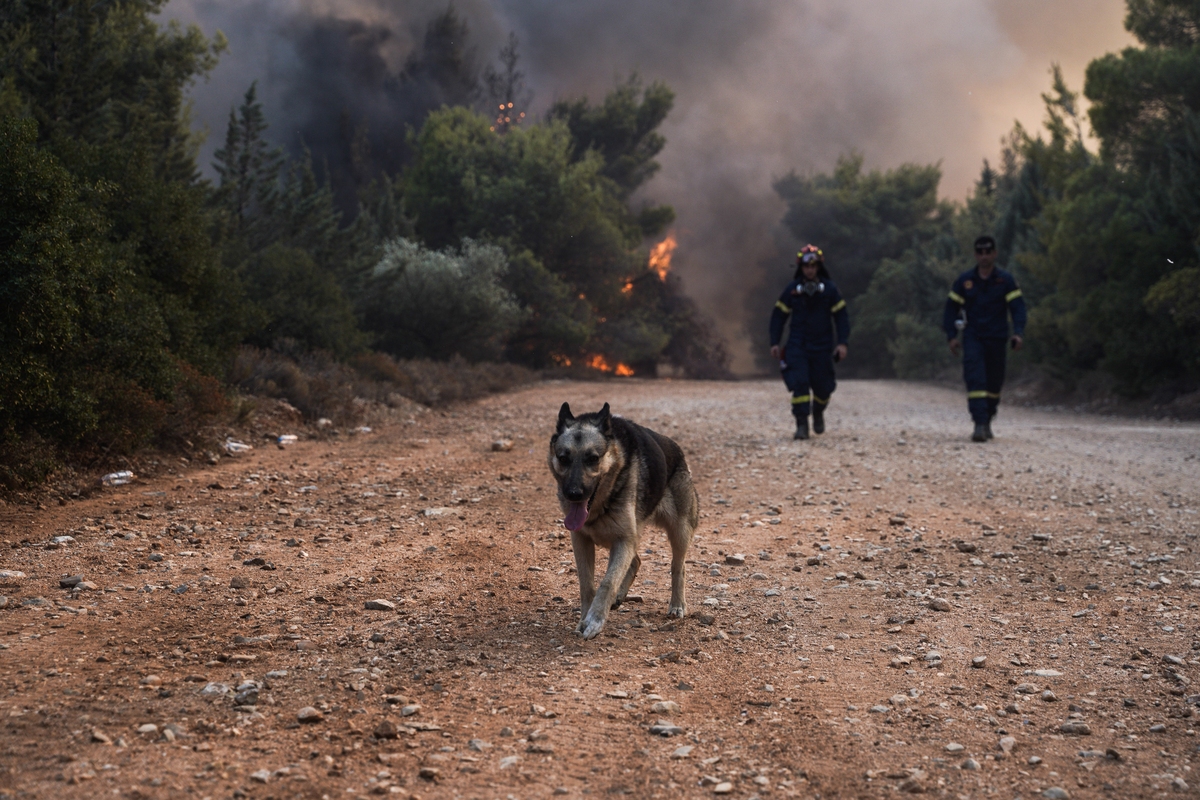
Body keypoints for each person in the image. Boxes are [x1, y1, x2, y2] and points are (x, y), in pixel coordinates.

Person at [943, 235, 1027, 442]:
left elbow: (1018, 309)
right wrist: (951, 336)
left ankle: (988, 419)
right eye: (980, 252)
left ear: (994, 253)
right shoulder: (965, 281)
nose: (984, 256)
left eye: (988, 252)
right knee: (975, 379)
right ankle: (979, 424)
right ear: (975, 255)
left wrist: (1018, 332)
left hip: (997, 338)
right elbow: (950, 309)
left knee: (994, 383)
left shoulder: (1005, 281)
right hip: (973, 337)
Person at [769, 244, 850, 440]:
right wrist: (774, 341)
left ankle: (818, 411)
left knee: (824, 387)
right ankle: (802, 425)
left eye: (813, 266)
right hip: (798, 345)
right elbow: (779, 316)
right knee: (800, 384)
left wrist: (842, 343)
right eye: (806, 266)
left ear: (819, 267)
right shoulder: (792, 290)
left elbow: (841, 317)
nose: (810, 270)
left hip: (822, 346)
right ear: (801, 268)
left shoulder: (830, 290)